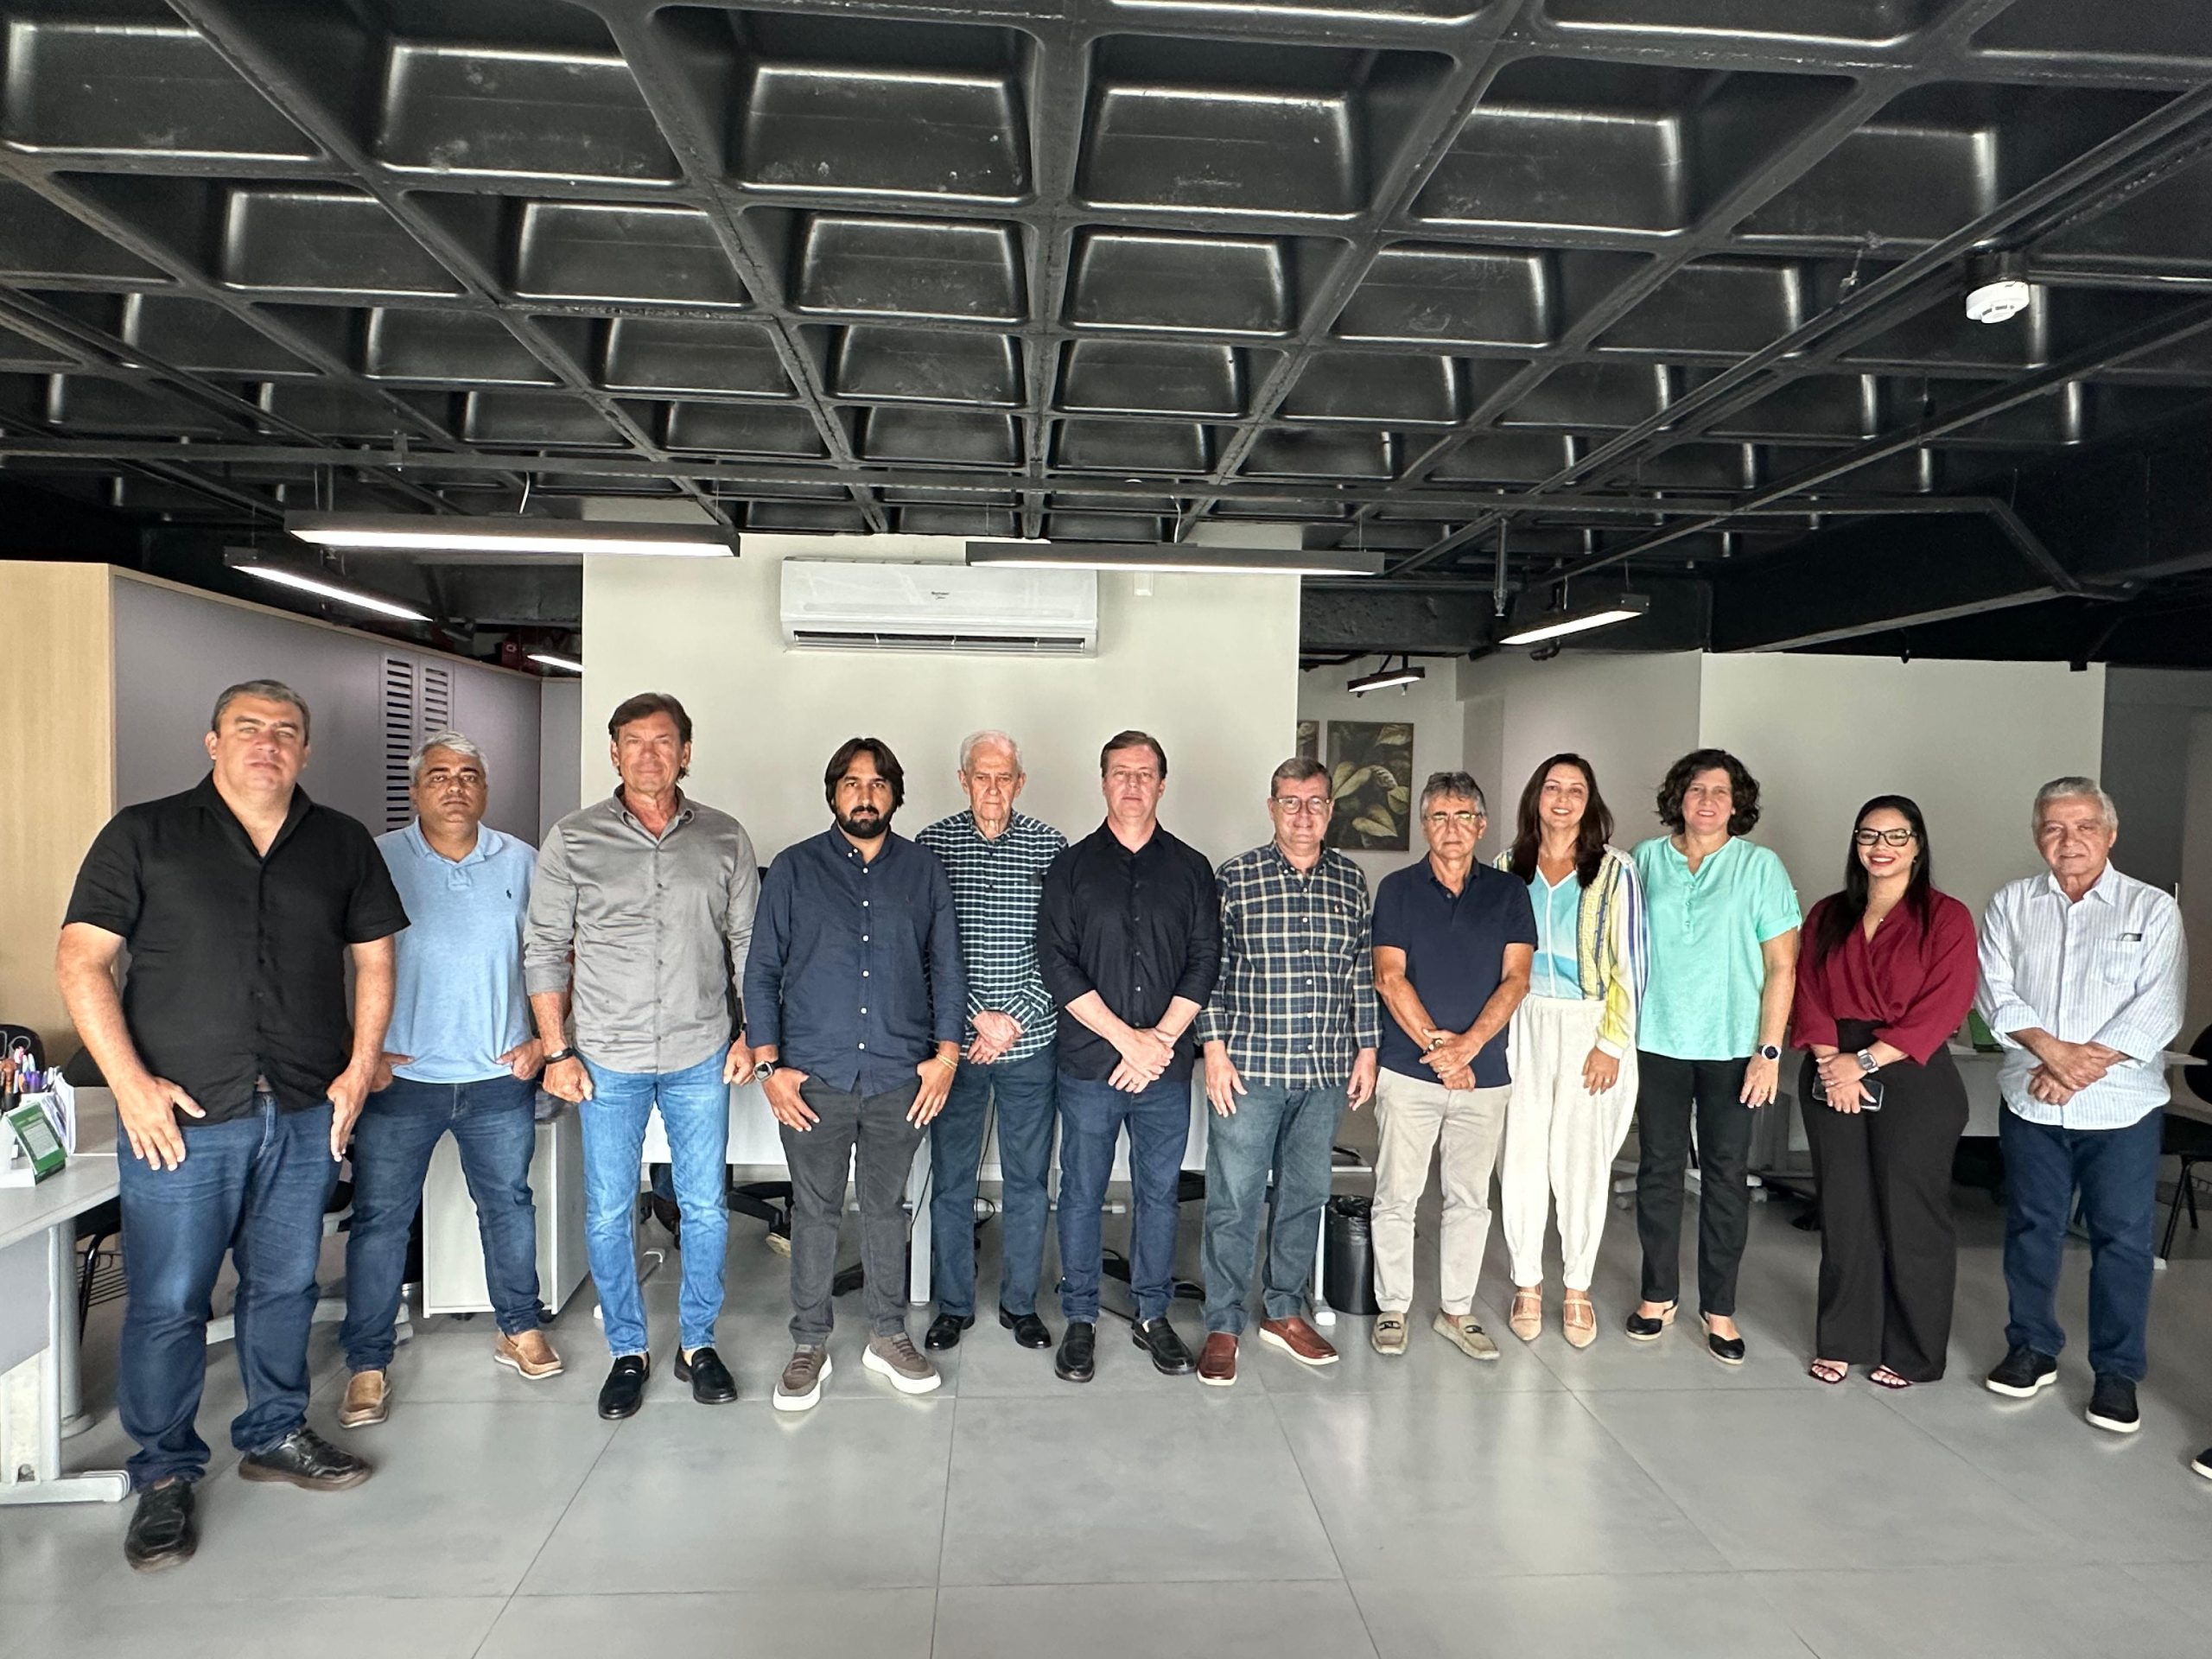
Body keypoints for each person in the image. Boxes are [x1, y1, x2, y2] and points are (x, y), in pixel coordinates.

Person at [56, 680, 407, 1572]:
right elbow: (82, 960)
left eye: (286, 731)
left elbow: (375, 960)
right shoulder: (144, 833)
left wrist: (361, 1065)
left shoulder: (340, 842)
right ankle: (165, 1471)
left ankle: (275, 1432)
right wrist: (129, 1084)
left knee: (284, 1286)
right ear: (213, 741)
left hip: (302, 1105)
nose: (267, 743)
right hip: (182, 1115)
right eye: (248, 728)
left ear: (306, 750)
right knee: (169, 1300)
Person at [524, 693, 759, 1421]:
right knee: (607, 1210)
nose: (649, 754)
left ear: (686, 753)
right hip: (607, 1056)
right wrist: (557, 1050)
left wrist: (753, 1034)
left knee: (705, 1206)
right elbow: (544, 948)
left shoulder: (723, 837)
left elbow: (750, 947)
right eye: (634, 741)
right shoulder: (574, 839)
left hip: (700, 1050)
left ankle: (697, 1343)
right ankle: (628, 1349)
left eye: (663, 742)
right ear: (614, 752)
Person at [337, 732, 559, 1433]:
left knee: (508, 1207)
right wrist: (361, 1055)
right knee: (380, 1220)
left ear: (485, 789)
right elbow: (333, 958)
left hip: (497, 1076)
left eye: (468, 776)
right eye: (439, 775)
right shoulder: (376, 859)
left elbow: (555, 954)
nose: (455, 787)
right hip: (401, 1078)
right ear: (415, 790)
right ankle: (367, 1362)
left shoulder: (521, 861)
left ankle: (518, 1327)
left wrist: (544, 1043)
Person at [747, 737, 967, 1410]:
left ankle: (887, 1334)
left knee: (885, 1209)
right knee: (812, 1210)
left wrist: (946, 1058)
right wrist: (769, 1067)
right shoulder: (794, 869)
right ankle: (809, 1342)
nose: (865, 795)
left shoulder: (923, 871)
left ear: (895, 794)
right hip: (813, 1076)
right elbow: (762, 971)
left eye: (877, 784)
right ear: (833, 793)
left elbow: (947, 967)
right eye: (851, 783)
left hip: (900, 1075)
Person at [1977, 777, 2186, 1434]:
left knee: (2122, 1240)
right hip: (2032, 1100)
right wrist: (2053, 1055)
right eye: (2054, 828)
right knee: (2031, 1228)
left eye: (2084, 826)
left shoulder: (2152, 909)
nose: (2069, 841)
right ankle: (2032, 1348)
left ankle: (2117, 1373)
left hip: (2122, 1108)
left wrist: (2075, 1070)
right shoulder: (2011, 904)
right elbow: (1995, 993)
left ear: (2110, 834)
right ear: (2037, 835)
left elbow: (2159, 1008)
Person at [1038, 730, 1221, 1384]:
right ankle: (1080, 1317)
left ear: (1162, 785)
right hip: (1091, 1065)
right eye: (1121, 772)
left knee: (1158, 1193)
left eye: (1145, 773)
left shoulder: (1192, 869)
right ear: (1103, 782)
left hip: (1164, 1069)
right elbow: (1056, 964)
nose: (1133, 784)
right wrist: (1128, 1039)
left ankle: (1152, 1313)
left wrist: (1159, 1041)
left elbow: (1205, 960)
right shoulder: (1070, 867)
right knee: (1081, 1192)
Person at [1193, 756, 1379, 1386]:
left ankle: (1283, 1310)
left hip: (1324, 1069)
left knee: (1305, 1196)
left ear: (1331, 809)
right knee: (1234, 1200)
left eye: (1316, 802)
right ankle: (1223, 1321)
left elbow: (1360, 971)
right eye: (1291, 802)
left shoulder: (1350, 881)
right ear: (1272, 808)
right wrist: (1213, 1049)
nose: (1304, 814)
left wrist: (1367, 1048)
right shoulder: (1236, 878)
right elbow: (1209, 972)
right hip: (1249, 1070)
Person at [1791, 796, 1977, 1389]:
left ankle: (1914, 1350)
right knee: (1845, 1210)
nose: (1881, 847)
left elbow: (1945, 1004)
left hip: (1911, 1072)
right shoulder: (1828, 913)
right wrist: (1833, 1065)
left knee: (1911, 1215)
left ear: (1918, 845)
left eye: (1897, 836)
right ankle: (1843, 1339)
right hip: (1831, 1067)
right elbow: (1806, 990)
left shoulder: (1946, 917)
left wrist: (1864, 1063)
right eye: (1869, 835)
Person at [1629, 749, 1799, 1363]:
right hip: (1657, 1040)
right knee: (1658, 1170)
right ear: (1678, 797)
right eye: (1697, 789)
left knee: (1726, 1176)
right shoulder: (1645, 860)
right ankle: (1657, 1295)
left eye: (1720, 792)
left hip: (1732, 1047)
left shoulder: (1760, 867)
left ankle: (1719, 1308)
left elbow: (1782, 967)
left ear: (1737, 803)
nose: (1707, 801)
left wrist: (1768, 1051)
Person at [1370, 771, 1535, 1362]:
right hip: (1408, 1072)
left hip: (1483, 1077)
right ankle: (1393, 1308)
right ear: (1424, 825)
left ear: (1482, 825)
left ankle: (1456, 1311)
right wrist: (1444, 1055)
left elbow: (1517, 980)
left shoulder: (1509, 892)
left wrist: (1466, 1050)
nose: (1452, 828)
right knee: (1397, 1194)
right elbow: (1389, 977)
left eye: (1463, 816)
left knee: (1469, 1199)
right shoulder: (1397, 889)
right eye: (1439, 816)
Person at [914, 730, 1067, 1354]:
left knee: (1029, 1182)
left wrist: (1015, 1020)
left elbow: (1062, 950)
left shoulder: (1052, 847)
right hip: (958, 1047)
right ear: (964, 780)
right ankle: (953, 1305)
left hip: (1031, 1044)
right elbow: (925, 950)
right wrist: (977, 1018)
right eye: (983, 776)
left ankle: (1020, 1305)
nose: (994, 788)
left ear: (1020, 783)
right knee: (952, 1180)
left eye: (1005, 777)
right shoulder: (932, 847)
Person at [1493, 754, 1646, 1350]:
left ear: (1590, 801)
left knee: (1581, 1161)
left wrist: (1611, 1043)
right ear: (1535, 796)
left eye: (1575, 789)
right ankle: (1528, 1282)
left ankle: (1577, 1285)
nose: (1562, 798)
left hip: (1589, 1022)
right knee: (1521, 1156)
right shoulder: (1507, 866)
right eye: (1552, 787)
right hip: (1523, 1019)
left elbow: (1633, 963)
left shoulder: (1615, 870)